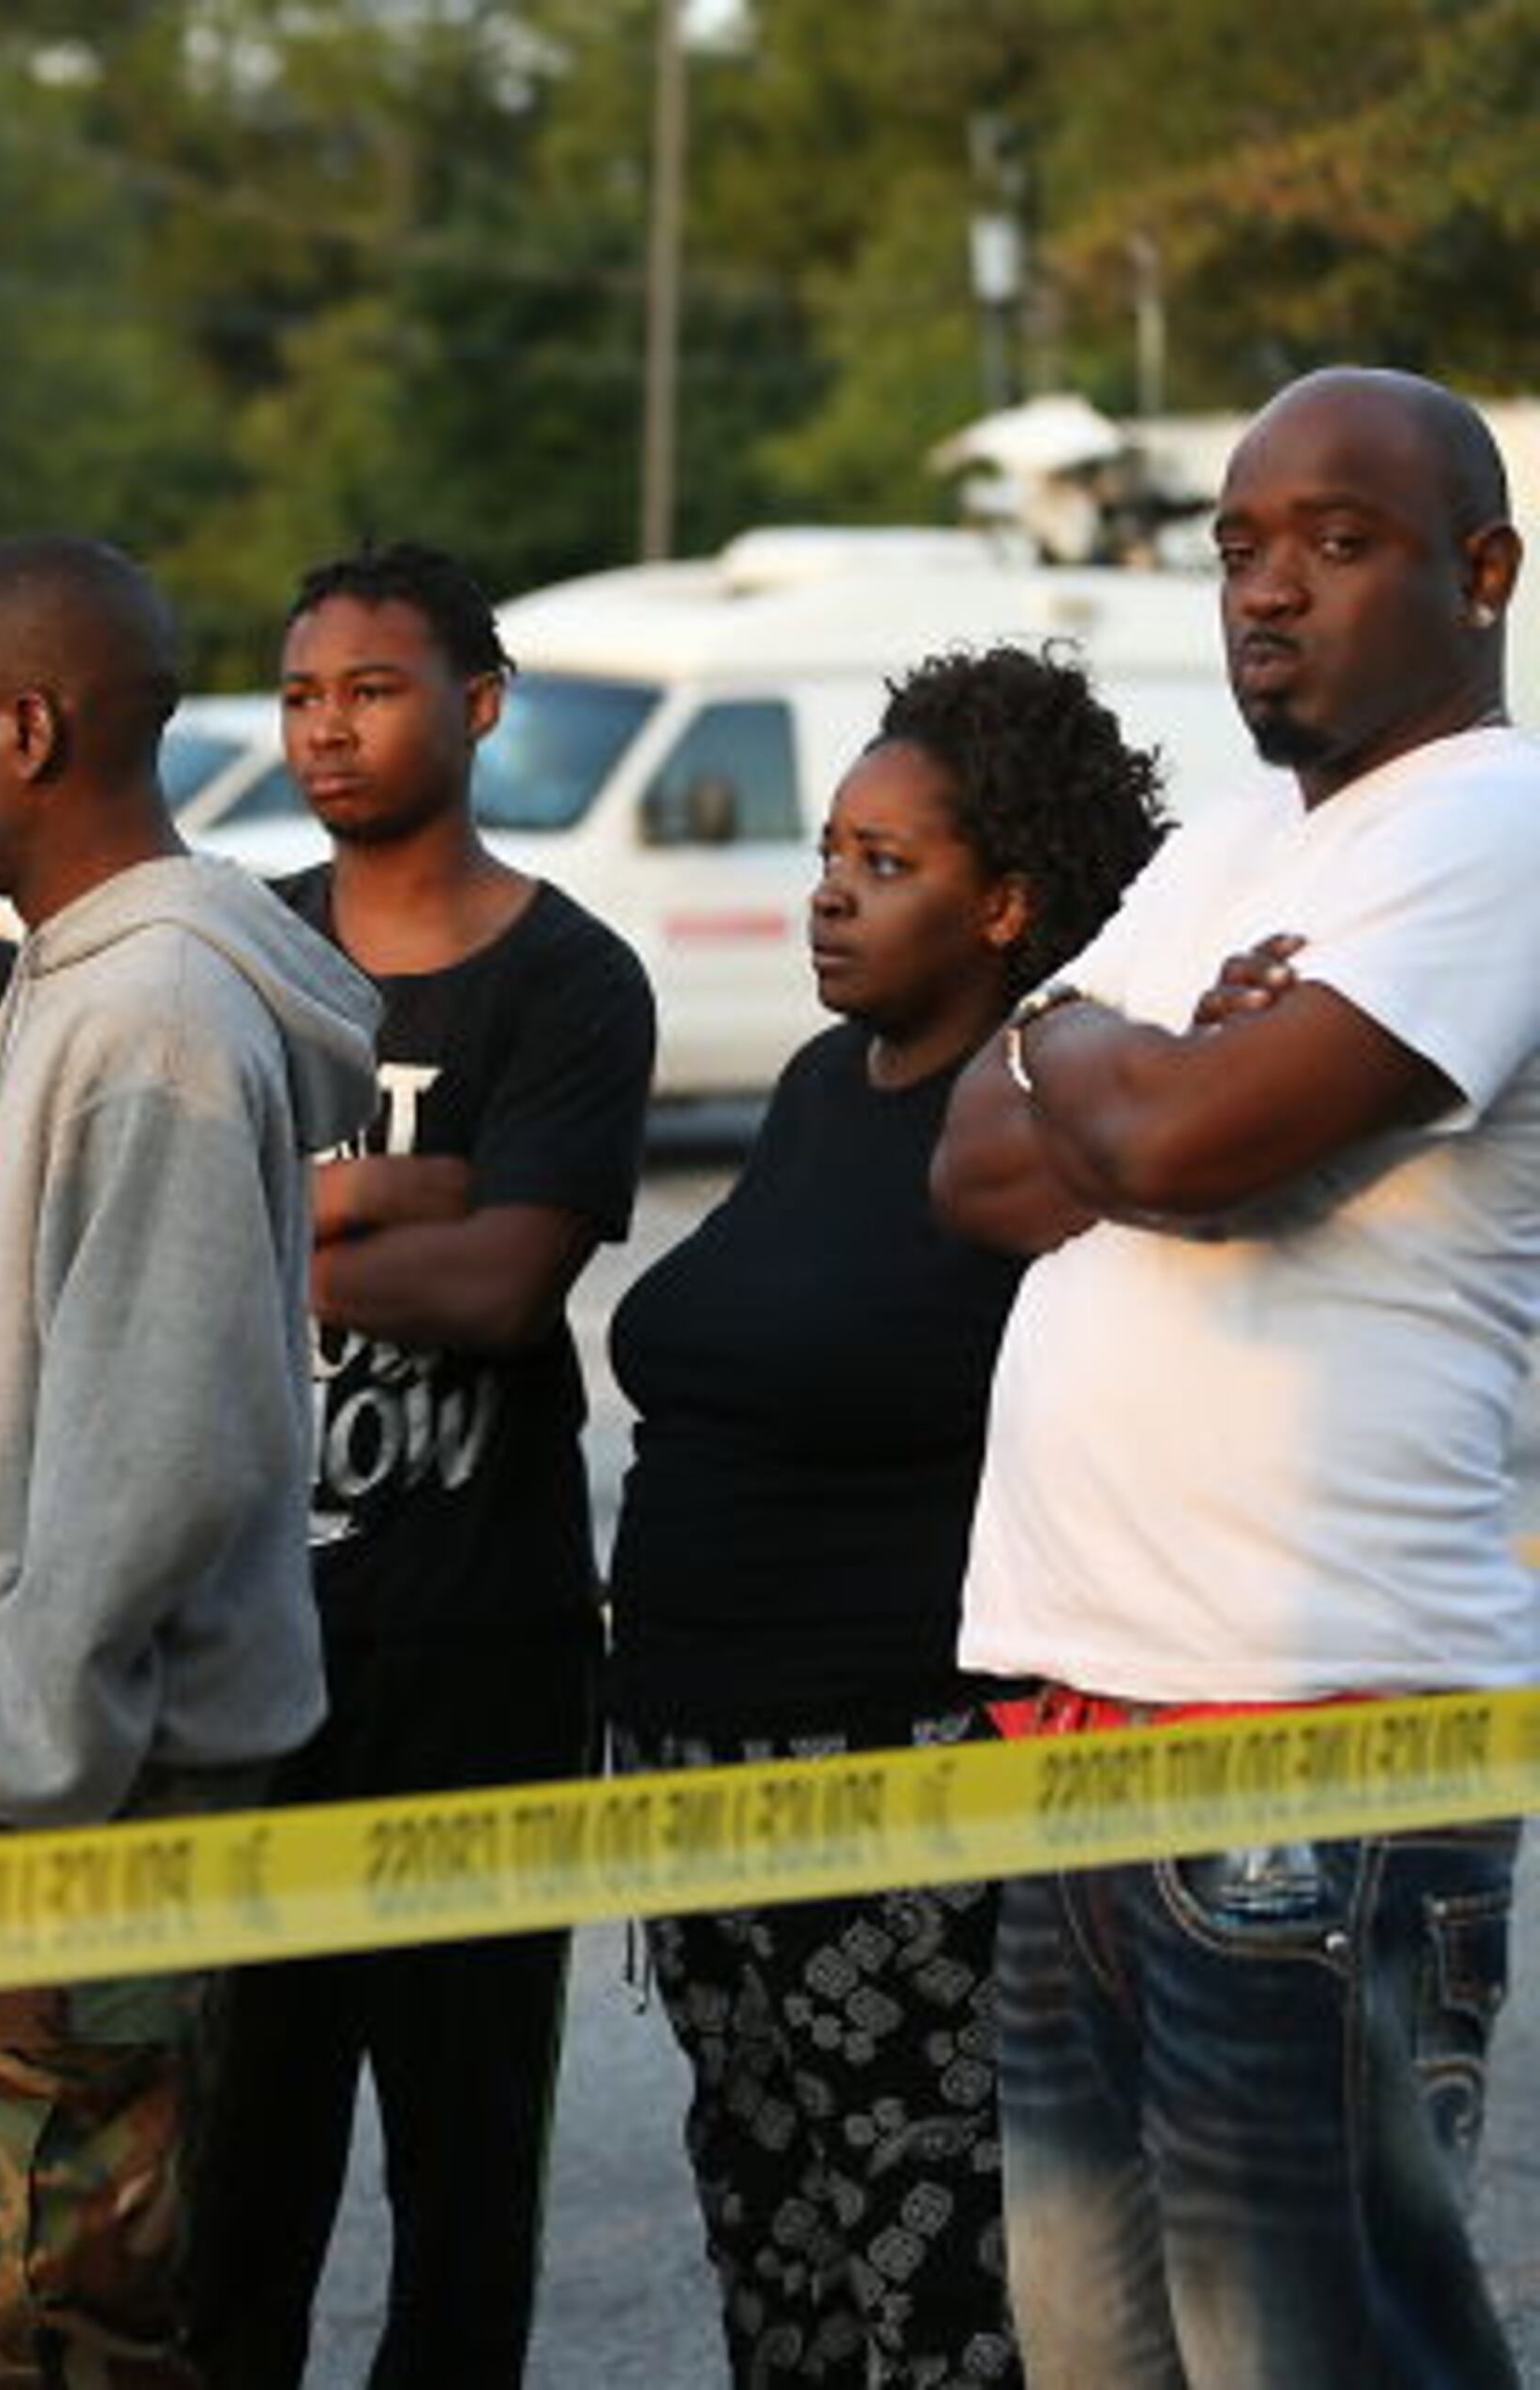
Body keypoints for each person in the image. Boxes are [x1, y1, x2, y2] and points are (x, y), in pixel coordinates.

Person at [933, 366, 1538, 2384]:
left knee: (1323, 2353)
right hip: (1087, 1718)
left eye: (1337, 544)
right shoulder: (1242, 853)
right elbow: (978, 1164)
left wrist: (1132, 1074)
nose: (1266, 591)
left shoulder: (1493, 826)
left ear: (1485, 572)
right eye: (1240, 546)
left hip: (1312, 1743)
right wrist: (1163, 1055)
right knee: (1097, 2355)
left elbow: (1177, 1150)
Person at [0, 533, 381, 2383]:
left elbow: (165, 1453)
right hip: (30, 1785)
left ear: (31, 732)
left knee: (35, 2338)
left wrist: (18, 1755)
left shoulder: (154, 1020)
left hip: (73, 1800)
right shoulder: (79, 978)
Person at [608, 647, 1164, 2388]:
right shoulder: (809, 1093)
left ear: (1008, 904)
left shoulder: (1037, 1137)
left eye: (887, 863)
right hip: (698, 1772)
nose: (830, 893)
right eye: (831, 850)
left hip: (897, 1787)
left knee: (930, 2266)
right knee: (769, 2236)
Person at [183, 539, 655, 2388]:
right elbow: (158, 1241)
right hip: (253, 1662)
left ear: (476, 707)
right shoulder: (243, 948)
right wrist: (396, 1184)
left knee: (464, 2190)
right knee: (242, 2187)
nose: (326, 728)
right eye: (301, 695)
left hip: (484, 1656)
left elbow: (508, 1277)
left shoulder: (572, 979)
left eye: (369, 689)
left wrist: (281, 1215)